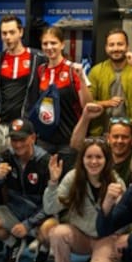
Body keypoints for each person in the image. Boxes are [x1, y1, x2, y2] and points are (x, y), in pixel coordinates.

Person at [40, 138, 126, 262]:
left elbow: (124, 219)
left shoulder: (116, 182)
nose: (93, 162)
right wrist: (53, 183)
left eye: (99, 157)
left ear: (106, 159)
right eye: (89, 157)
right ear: (82, 159)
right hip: (81, 235)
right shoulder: (72, 178)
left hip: (106, 238)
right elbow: (50, 208)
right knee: (58, 232)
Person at [0, 118, 51, 262]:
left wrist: (28, 224)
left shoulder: (46, 161)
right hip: (14, 211)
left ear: (33, 138)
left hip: (39, 215)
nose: (17, 144)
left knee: (50, 231)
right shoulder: (5, 156)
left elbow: (51, 204)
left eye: (22, 139)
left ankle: (44, 249)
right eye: (14, 139)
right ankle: (14, 242)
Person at [32, 26, 91, 163]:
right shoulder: (40, 70)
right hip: (44, 140)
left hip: (69, 139)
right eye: (45, 43)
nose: (49, 47)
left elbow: (87, 105)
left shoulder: (74, 69)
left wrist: (82, 79)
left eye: (53, 43)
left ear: (62, 44)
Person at [0, 15, 46, 154]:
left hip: (24, 128)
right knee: (1, 168)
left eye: (12, 32)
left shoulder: (38, 59)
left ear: (20, 32)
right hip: (1, 127)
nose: (7, 37)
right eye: (4, 33)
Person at [86, 28, 132, 141]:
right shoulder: (96, 71)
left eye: (120, 44)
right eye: (111, 45)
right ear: (106, 48)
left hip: (129, 134)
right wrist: (107, 103)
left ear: (127, 46)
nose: (116, 48)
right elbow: (87, 103)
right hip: (101, 133)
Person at [70, 103, 132, 185]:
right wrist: (85, 117)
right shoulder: (100, 153)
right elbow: (75, 145)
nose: (119, 141)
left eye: (124, 137)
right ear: (108, 138)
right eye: (115, 136)